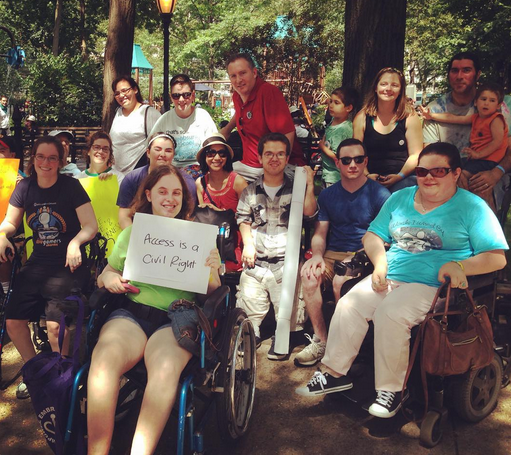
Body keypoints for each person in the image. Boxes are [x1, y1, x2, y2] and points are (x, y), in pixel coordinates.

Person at [296, 142, 507, 419]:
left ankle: (391, 392)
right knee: (349, 305)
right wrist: (380, 263)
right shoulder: (401, 198)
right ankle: (334, 373)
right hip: (391, 274)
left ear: (455, 173)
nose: (428, 177)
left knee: (391, 313)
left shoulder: (471, 207)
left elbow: (496, 257)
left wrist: (459, 265)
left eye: (438, 171)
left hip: (434, 285)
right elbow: (372, 236)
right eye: (422, 171)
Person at [87, 165, 221, 455]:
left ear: (183, 199)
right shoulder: (133, 233)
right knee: (104, 361)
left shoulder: (198, 238)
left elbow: (214, 293)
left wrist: (211, 270)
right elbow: (106, 273)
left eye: (176, 192)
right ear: (149, 194)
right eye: (162, 191)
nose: (169, 198)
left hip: (176, 318)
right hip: (132, 313)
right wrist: (109, 278)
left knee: (164, 371)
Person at [0, 136, 97, 399]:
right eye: (41, 157)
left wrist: (76, 242)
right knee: (13, 321)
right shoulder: (25, 188)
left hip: (68, 263)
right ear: (34, 159)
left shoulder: (71, 187)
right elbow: (10, 222)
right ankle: (35, 371)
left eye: (52, 158)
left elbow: (91, 225)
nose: (46, 162)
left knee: (56, 327)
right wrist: (2, 235)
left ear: (60, 161)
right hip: (37, 263)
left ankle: (61, 373)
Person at [296, 139, 390, 366]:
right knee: (309, 276)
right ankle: (323, 340)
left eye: (358, 159)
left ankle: (345, 346)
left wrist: (358, 258)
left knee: (341, 281)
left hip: (364, 254)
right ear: (337, 163)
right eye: (346, 160)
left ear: (365, 161)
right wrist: (316, 255)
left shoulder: (380, 195)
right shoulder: (328, 195)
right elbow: (320, 233)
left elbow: (385, 240)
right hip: (333, 253)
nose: (353, 165)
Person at [236, 132, 316, 357]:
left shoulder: (296, 188)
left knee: (289, 315)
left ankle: (282, 340)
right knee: (250, 308)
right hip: (257, 263)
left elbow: (310, 214)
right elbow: (243, 219)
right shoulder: (250, 191)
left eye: (280, 154)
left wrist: (309, 186)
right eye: (269, 153)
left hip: (286, 265)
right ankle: (252, 335)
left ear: (287, 157)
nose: (274, 158)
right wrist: (248, 244)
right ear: (260, 157)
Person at [422, 52, 511, 204]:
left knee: (481, 187)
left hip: (494, 167)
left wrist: (497, 173)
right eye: (454, 70)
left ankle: (490, 228)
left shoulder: (501, 106)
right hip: (448, 172)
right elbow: (430, 154)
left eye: (466, 70)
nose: (459, 76)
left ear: (478, 74)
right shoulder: (435, 109)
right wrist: (452, 175)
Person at [220, 53, 306, 182]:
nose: (238, 80)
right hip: (249, 166)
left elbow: (288, 134)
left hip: (277, 167)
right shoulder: (237, 96)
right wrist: (226, 130)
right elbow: (241, 112)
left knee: (225, 181)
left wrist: (275, 171)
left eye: (243, 73)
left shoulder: (268, 92)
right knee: (215, 176)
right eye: (233, 76)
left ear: (254, 72)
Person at [353, 67, 423, 192]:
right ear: (376, 87)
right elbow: (356, 152)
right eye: (383, 84)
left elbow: (415, 154)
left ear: (401, 90)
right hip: (369, 178)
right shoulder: (362, 117)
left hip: (403, 178)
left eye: (394, 85)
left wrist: (399, 176)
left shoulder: (410, 117)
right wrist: (367, 175)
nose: (388, 89)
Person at [117, 132, 197, 229]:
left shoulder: (187, 181)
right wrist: (135, 238)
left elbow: (188, 217)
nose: (162, 154)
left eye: (168, 151)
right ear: (148, 152)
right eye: (157, 149)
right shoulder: (131, 179)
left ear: (173, 155)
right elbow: (124, 216)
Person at [195, 133, 248, 272]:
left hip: (233, 244)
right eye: (211, 153)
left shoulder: (238, 182)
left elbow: (249, 217)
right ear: (204, 157)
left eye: (222, 153)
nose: (217, 158)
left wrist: (218, 212)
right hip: (209, 244)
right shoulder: (200, 183)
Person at [149, 74, 217, 178]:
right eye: (176, 95)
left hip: (200, 172)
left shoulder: (202, 116)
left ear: (193, 95)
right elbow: (151, 145)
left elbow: (214, 145)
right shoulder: (165, 119)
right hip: (171, 172)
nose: (181, 99)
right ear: (171, 97)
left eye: (186, 95)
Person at [109, 76, 161, 174]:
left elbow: (160, 144)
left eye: (125, 90)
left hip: (137, 175)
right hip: (115, 175)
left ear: (135, 89)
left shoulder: (149, 113)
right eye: (117, 93)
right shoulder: (118, 112)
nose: (121, 95)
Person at [320, 87, 359, 186]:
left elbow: (339, 156)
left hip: (335, 177)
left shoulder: (343, 129)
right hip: (327, 174)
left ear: (348, 108)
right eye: (331, 101)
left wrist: (322, 147)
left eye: (336, 103)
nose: (331, 105)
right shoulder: (333, 122)